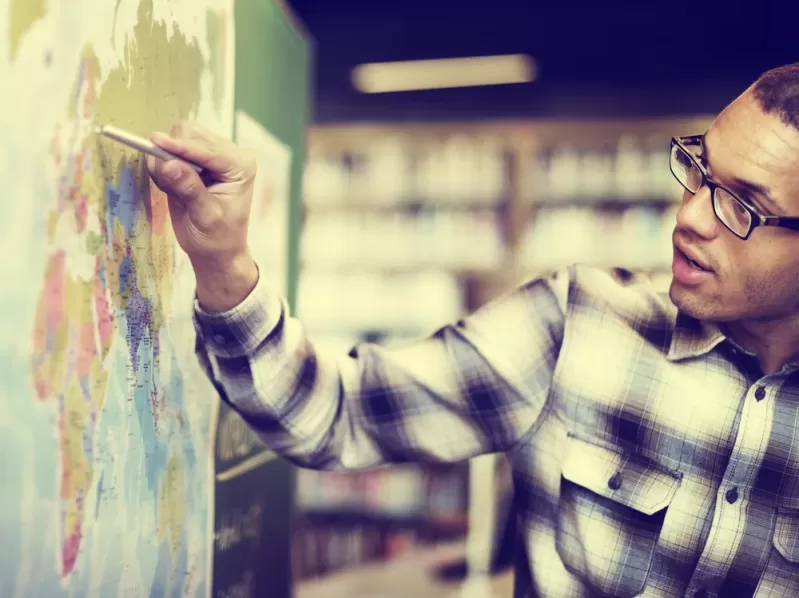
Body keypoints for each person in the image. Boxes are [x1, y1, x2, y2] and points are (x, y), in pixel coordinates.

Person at [147, 62, 799, 597]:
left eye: (742, 205)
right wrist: (224, 261)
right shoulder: (578, 323)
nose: (691, 217)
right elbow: (335, 412)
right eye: (698, 170)